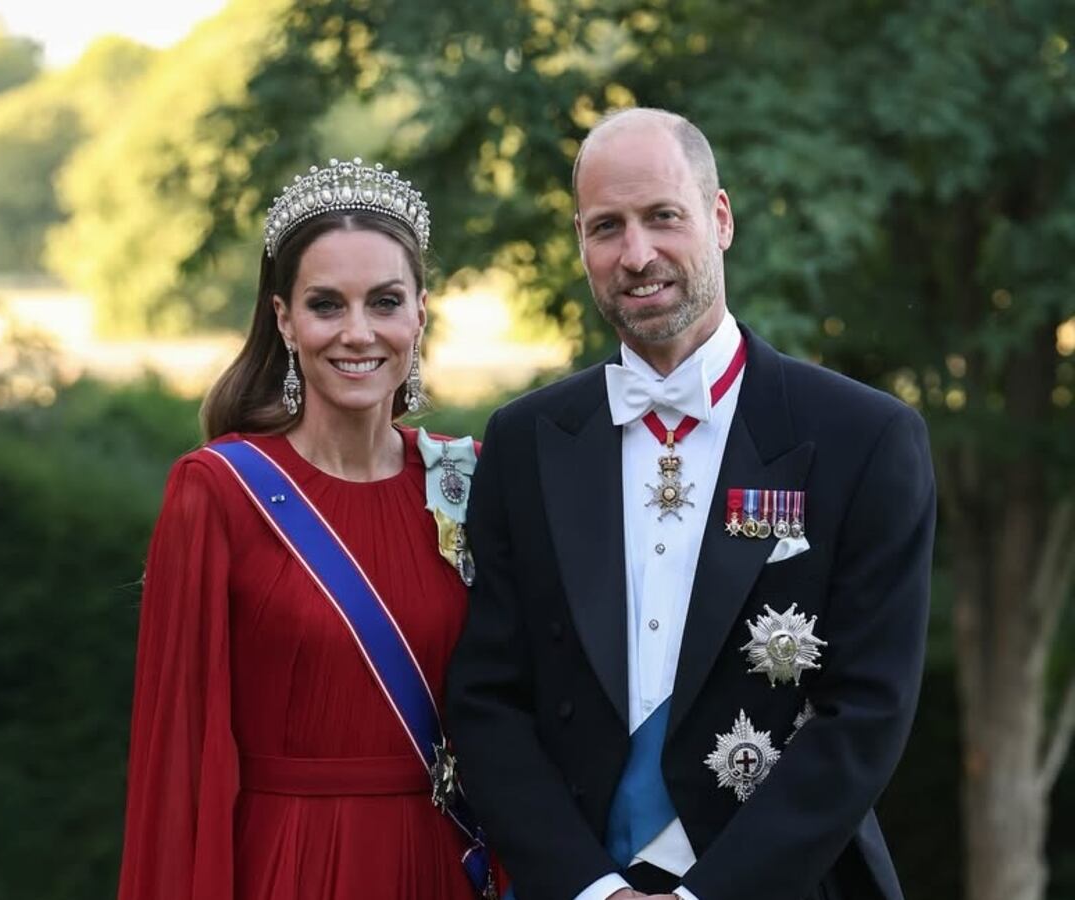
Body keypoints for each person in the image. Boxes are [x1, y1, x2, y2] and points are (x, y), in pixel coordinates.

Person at [446, 108, 935, 900]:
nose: (637, 254)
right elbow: (487, 699)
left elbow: (867, 713)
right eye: (607, 227)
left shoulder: (865, 439)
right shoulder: (525, 440)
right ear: (581, 243)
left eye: (662, 217)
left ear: (719, 218)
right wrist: (589, 889)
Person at [117, 158, 493, 900]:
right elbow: (178, 763)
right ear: (285, 319)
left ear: (421, 312)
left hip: (448, 862)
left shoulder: (469, 478)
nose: (358, 333)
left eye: (384, 302)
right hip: (292, 864)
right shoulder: (219, 492)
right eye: (327, 305)